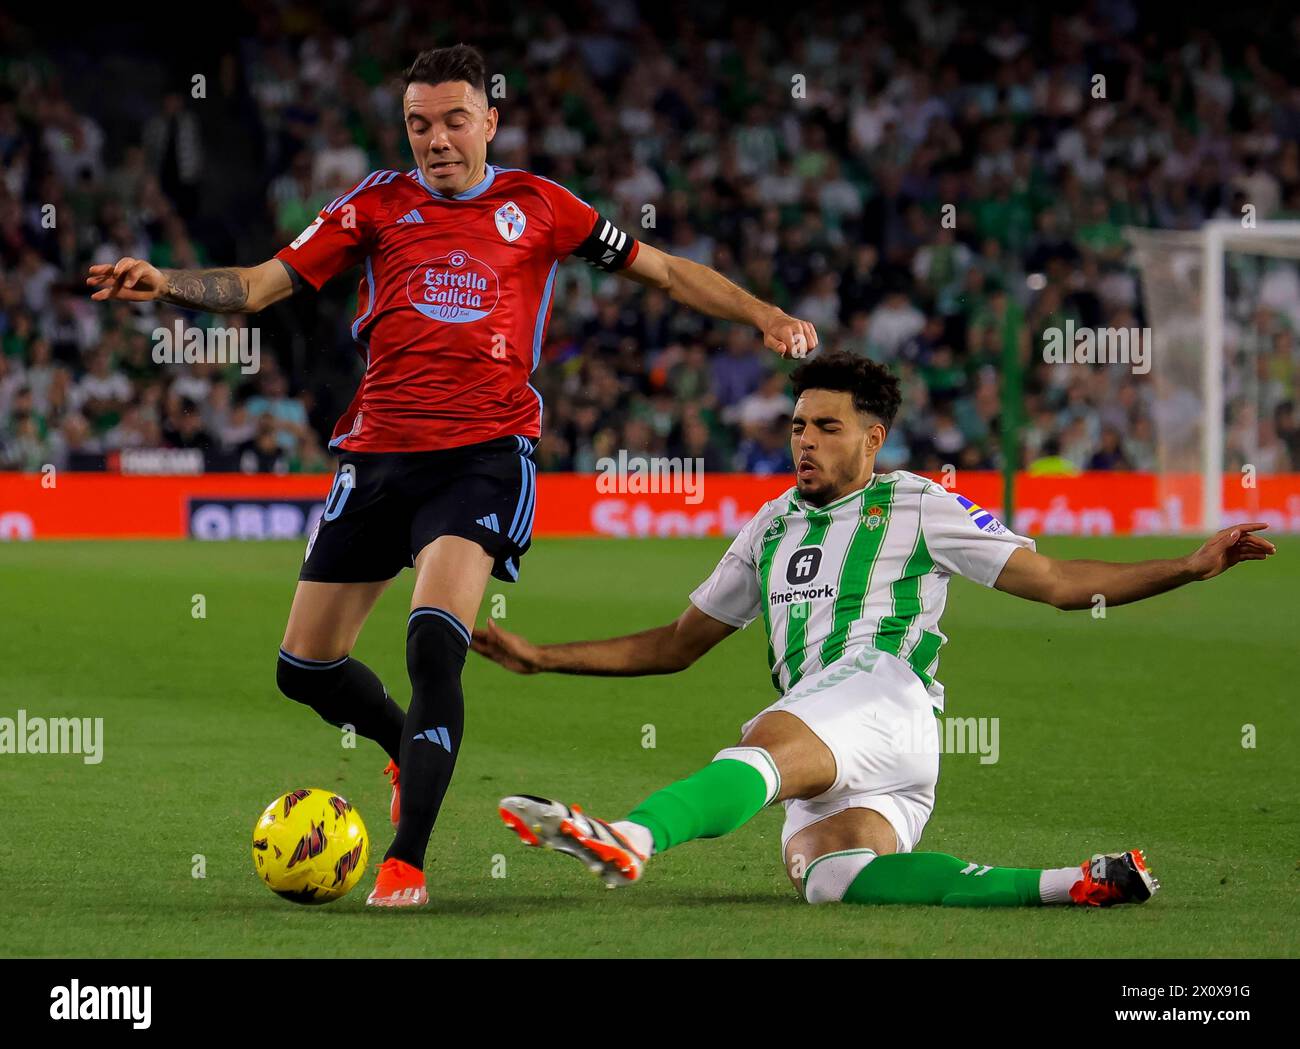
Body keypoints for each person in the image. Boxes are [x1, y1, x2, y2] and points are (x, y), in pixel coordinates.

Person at [85, 44, 818, 909]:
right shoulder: (371, 206)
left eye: (453, 119)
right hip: (377, 453)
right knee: (304, 669)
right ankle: (402, 745)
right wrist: (166, 281)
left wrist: (764, 312)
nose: (436, 138)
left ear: (489, 122)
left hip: (483, 455)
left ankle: (407, 863)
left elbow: (661, 268)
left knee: (434, 641)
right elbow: (257, 287)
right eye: (419, 123)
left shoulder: (541, 205)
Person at [474, 351, 1275, 908]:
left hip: (886, 697)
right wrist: (542, 656)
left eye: (826, 426)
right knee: (829, 878)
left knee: (761, 742)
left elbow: (1059, 583)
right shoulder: (770, 524)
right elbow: (678, 643)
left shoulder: (918, 502)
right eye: (797, 426)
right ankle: (1076, 881)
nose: (806, 441)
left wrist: (1188, 566)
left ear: (872, 438)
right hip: (866, 760)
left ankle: (633, 836)